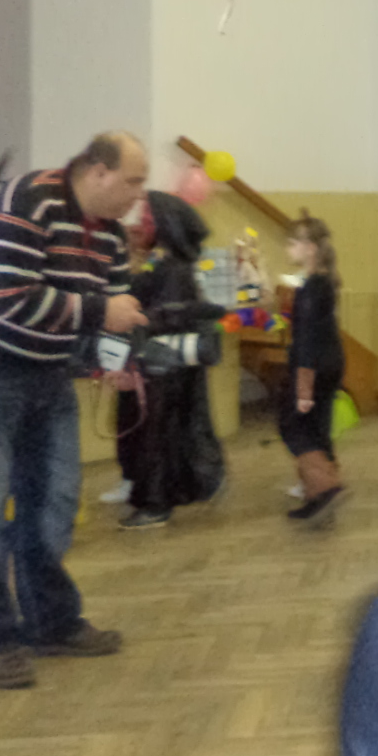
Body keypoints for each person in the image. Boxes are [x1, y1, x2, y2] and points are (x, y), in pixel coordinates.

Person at [0, 131, 148, 689]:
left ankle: (52, 623)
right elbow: (14, 299)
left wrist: (116, 356)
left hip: (46, 370)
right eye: (133, 182)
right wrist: (102, 314)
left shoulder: (110, 234)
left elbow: (113, 306)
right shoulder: (26, 201)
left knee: (54, 501)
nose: (138, 195)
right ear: (97, 171)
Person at [114, 191, 229, 530]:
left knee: (158, 435)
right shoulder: (162, 263)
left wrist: (137, 316)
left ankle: (155, 503)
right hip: (159, 365)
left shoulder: (173, 268)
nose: (141, 221)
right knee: (155, 432)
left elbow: (169, 316)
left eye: (148, 216)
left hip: (164, 369)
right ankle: (154, 496)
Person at [281, 215, 349, 525]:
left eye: (292, 242)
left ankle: (325, 487)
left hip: (314, 366)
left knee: (295, 427)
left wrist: (303, 387)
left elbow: (307, 339)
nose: (288, 248)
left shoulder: (312, 288)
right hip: (330, 362)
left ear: (310, 248)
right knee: (316, 428)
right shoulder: (321, 281)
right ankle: (316, 495)